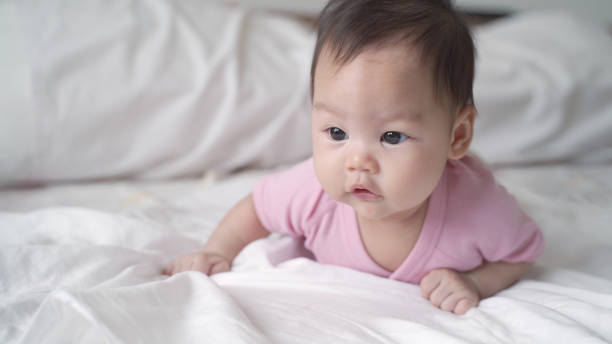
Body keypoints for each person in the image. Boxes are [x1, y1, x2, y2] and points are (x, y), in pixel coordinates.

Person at [164, 0, 544, 315]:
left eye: (391, 136)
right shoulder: (313, 192)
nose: (357, 161)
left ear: (457, 136)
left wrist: (477, 282)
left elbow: (523, 252)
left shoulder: (480, 210)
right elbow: (257, 209)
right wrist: (217, 251)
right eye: (337, 133)